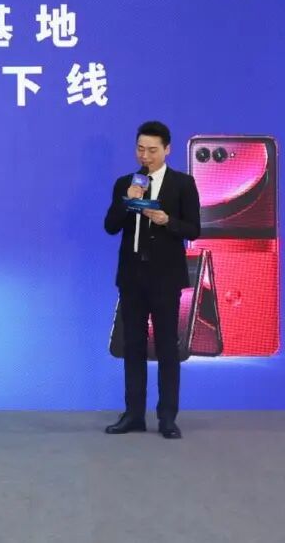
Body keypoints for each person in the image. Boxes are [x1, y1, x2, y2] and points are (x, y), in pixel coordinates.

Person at [103, 121, 201, 439]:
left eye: (152, 150)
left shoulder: (182, 184)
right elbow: (110, 226)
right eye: (140, 149)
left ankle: (167, 417)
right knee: (132, 345)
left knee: (166, 346)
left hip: (165, 277)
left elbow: (194, 229)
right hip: (132, 276)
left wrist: (167, 220)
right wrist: (126, 201)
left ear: (167, 149)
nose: (145, 156)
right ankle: (133, 414)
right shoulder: (126, 183)